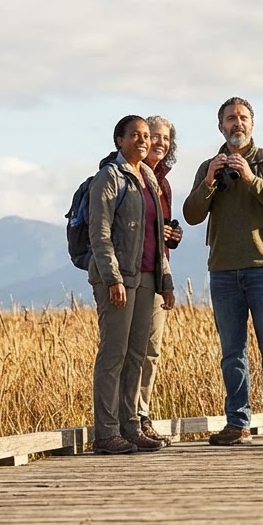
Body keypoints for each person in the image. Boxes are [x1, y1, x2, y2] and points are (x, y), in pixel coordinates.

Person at [182, 97, 263, 446]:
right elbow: (191, 214)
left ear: (252, 124)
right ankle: (238, 422)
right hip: (224, 270)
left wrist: (248, 178)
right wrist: (210, 181)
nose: (237, 123)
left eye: (243, 118)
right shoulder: (208, 166)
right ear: (221, 126)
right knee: (232, 351)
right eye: (230, 119)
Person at [86, 115, 177, 454]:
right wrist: (113, 278)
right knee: (114, 354)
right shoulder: (109, 177)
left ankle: (131, 426)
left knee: (137, 354)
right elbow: (101, 232)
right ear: (119, 141)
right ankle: (106, 432)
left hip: (147, 278)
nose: (142, 140)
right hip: (119, 279)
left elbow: (156, 235)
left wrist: (165, 281)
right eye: (134, 135)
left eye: (144, 135)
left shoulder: (149, 177)